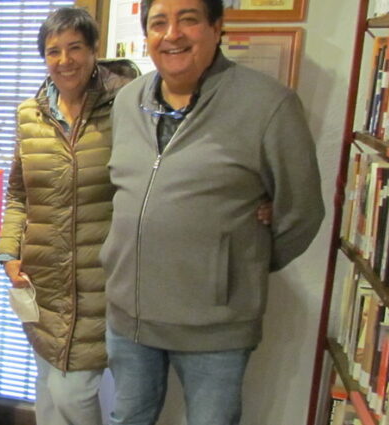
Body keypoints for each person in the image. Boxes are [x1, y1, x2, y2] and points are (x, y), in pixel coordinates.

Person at [101, 0, 324, 424]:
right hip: (129, 317)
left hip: (214, 326)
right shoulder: (128, 101)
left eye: (188, 19)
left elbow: (303, 211)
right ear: (146, 34)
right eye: (158, 23)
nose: (172, 34)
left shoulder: (268, 104)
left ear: (217, 27)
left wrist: (241, 264)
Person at [0, 7, 139, 425]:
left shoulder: (124, 109)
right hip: (42, 278)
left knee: (72, 391)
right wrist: (8, 252)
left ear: (95, 51)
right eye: (53, 51)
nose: (64, 60)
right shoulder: (30, 114)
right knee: (47, 386)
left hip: (99, 278)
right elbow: (19, 192)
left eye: (75, 48)